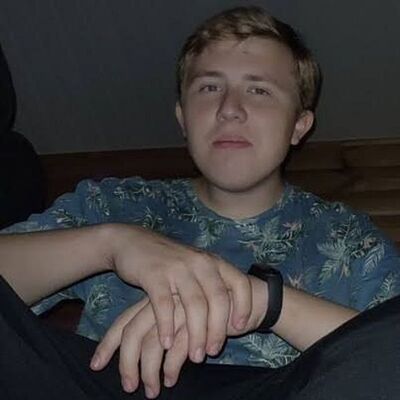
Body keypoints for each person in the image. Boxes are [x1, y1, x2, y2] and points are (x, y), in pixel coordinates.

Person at [1, 5, 399, 399]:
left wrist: (264, 304)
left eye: (259, 90)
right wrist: (111, 244)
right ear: (183, 118)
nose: (229, 109)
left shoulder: (351, 239)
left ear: (298, 125)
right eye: (209, 87)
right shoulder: (113, 204)